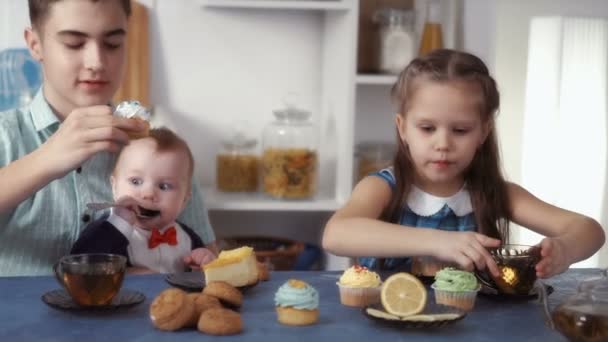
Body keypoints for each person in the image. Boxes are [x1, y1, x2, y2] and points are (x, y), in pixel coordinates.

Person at [322, 49, 605, 279]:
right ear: (403, 128)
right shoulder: (382, 187)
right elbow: (336, 234)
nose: (443, 144)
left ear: (483, 132)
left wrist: (566, 249)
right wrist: (438, 241)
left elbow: (589, 229)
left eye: (460, 131)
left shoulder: (496, 193)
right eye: (427, 128)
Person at [0, 0, 217, 276]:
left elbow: (207, 269)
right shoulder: (5, 136)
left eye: (113, 44)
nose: (97, 63)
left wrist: (166, 278)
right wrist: (47, 159)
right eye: (74, 44)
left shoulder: (159, 149)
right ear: (35, 44)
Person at [71, 127, 216, 273]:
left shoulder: (187, 238)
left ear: (184, 200)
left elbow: (204, 276)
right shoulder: (108, 231)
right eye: (135, 181)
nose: (148, 194)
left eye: (164, 186)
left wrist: (203, 260)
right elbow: (81, 263)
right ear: (114, 187)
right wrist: (119, 222)